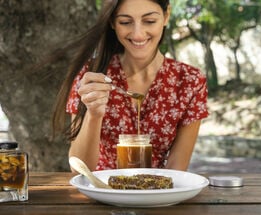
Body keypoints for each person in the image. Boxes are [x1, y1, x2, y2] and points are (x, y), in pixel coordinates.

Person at [53, 0, 208, 171]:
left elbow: (177, 169)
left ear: (166, 16)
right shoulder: (92, 76)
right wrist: (94, 115)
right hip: (103, 192)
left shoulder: (190, 81)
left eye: (149, 21)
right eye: (125, 22)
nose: (138, 34)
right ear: (112, 22)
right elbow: (79, 169)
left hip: (158, 194)